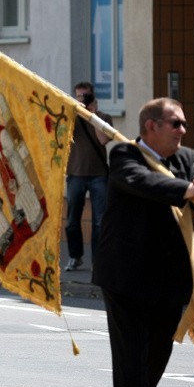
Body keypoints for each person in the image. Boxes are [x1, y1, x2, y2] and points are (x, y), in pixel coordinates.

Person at [92, 98, 194, 387]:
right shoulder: (124, 155)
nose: (183, 130)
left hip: (169, 274)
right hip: (126, 273)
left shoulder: (184, 157)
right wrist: (186, 190)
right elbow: (144, 183)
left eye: (183, 124)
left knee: (156, 354)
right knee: (131, 353)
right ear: (151, 126)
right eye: (175, 124)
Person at [64, 82, 113, 271]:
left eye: (85, 96)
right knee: (72, 221)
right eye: (78, 97)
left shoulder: (104, 118)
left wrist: (93, 116)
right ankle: (75, 257)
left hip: (98, 175)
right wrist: (74, 112)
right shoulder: (71, 118)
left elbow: (102, 140)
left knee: (100, 222)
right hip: (75, 174)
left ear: (93, 98)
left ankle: (98, 261)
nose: (82, 100)